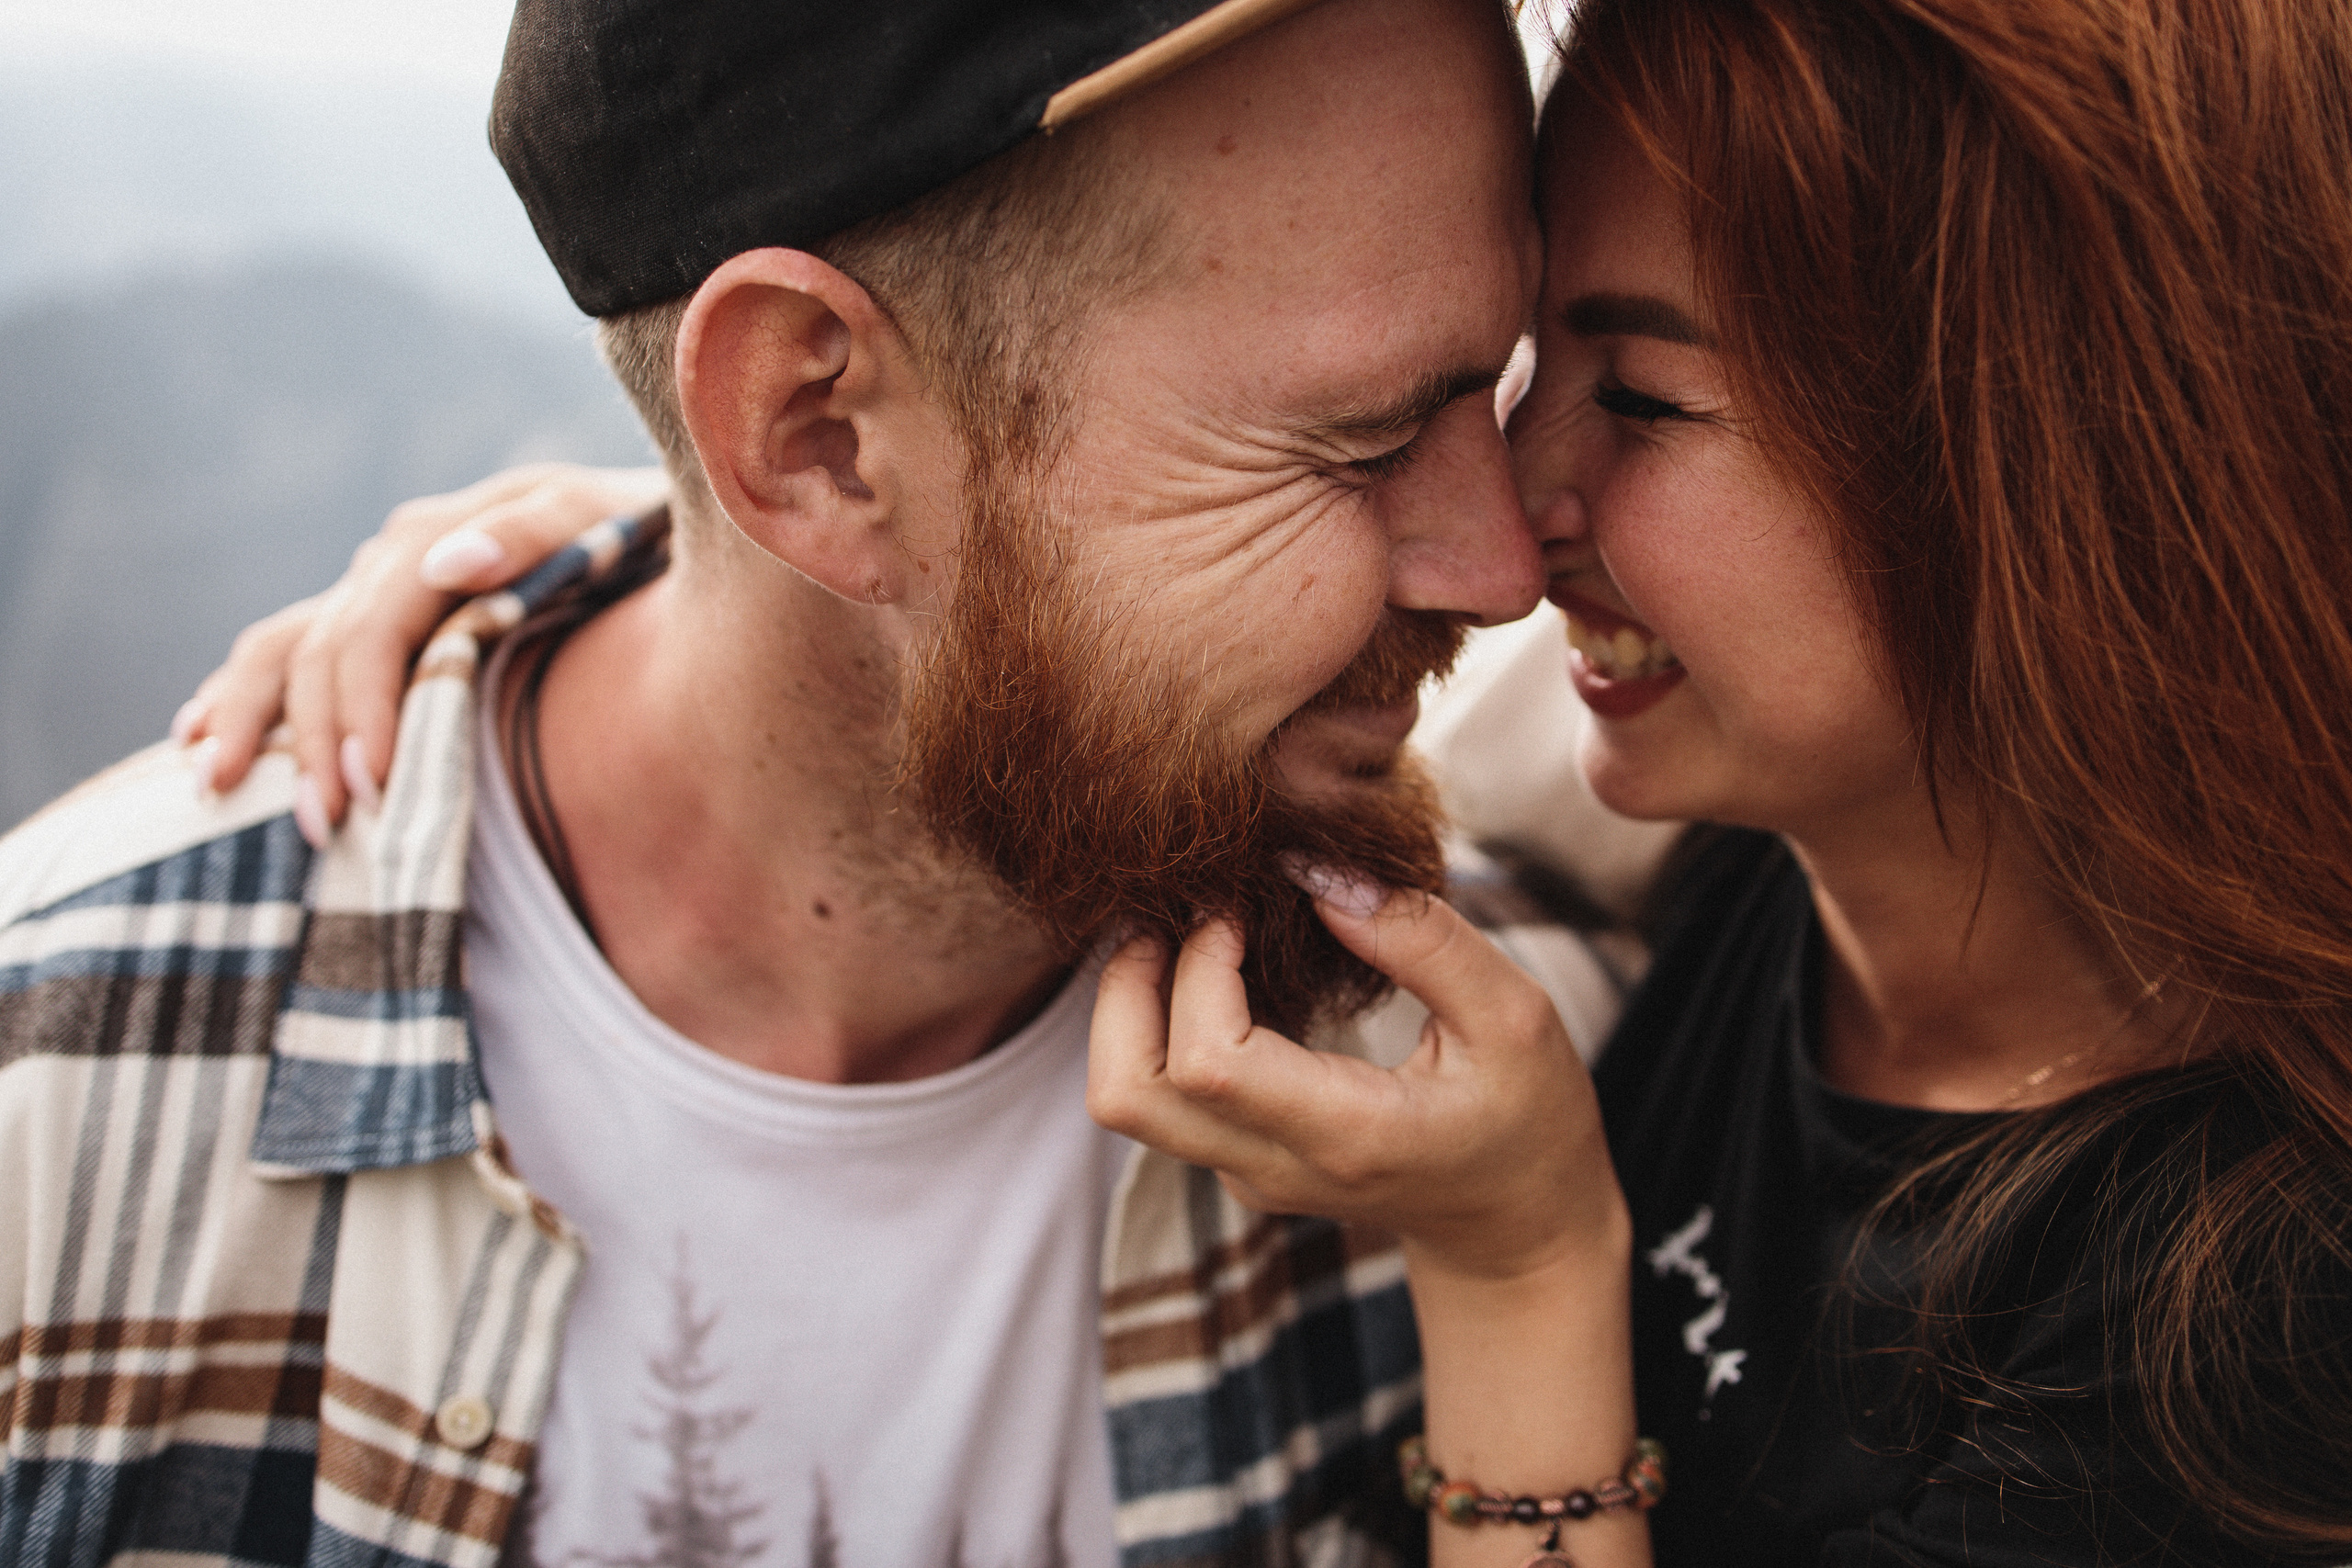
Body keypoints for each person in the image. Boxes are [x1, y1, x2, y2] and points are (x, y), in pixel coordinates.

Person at [200, 0, 2352, 1564]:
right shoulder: (1675, 850)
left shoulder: (2229, 1344)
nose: (1503, 556)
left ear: (2056, 472)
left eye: (1636, 395)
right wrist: (756, 556)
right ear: (815, 439)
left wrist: (1517, 1275)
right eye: (1390, 423)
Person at [0, 3, 1634, 1565]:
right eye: (1356, 445)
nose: (1505, 573)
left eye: (1489, 389)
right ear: (816, 439)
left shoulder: (1516, 1083)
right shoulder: (56, 1124)